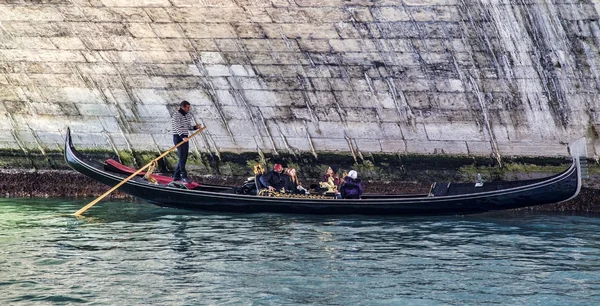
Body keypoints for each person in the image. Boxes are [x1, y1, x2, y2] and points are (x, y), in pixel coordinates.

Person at [171, 100, 202, 182]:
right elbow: (177, 127)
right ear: (182, 107)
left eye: (189, 107)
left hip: (185, 137)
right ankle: (183, 176)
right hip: (178, 137)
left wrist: (195, 127)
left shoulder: (187, 115)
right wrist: (182, 137)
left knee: (184, 157)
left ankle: (176, 176)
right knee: (182, 157)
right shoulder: (176, 115)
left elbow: (188, 127)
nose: (189, 109)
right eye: (187, 107)